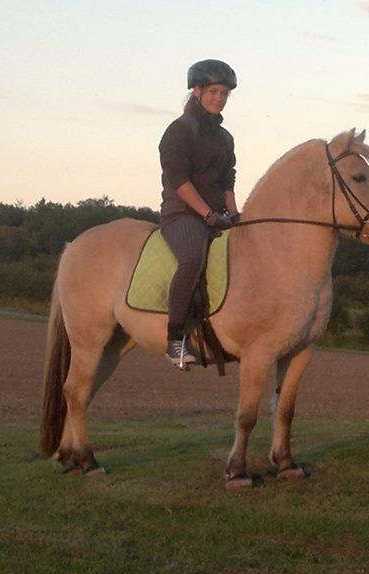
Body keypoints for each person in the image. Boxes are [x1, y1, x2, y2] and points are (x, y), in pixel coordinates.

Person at [159, 59, 239, 367]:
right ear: (196, 91)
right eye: (213, 91)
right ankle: (175, 339)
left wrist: (234, 214)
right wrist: (207, 214)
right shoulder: (178, 131)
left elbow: (227, 179)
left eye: (223, 93)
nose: (218, 98)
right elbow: (179, 182)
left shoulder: (224, 137)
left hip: (217, 214)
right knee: (192, 257)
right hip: (182, 215)